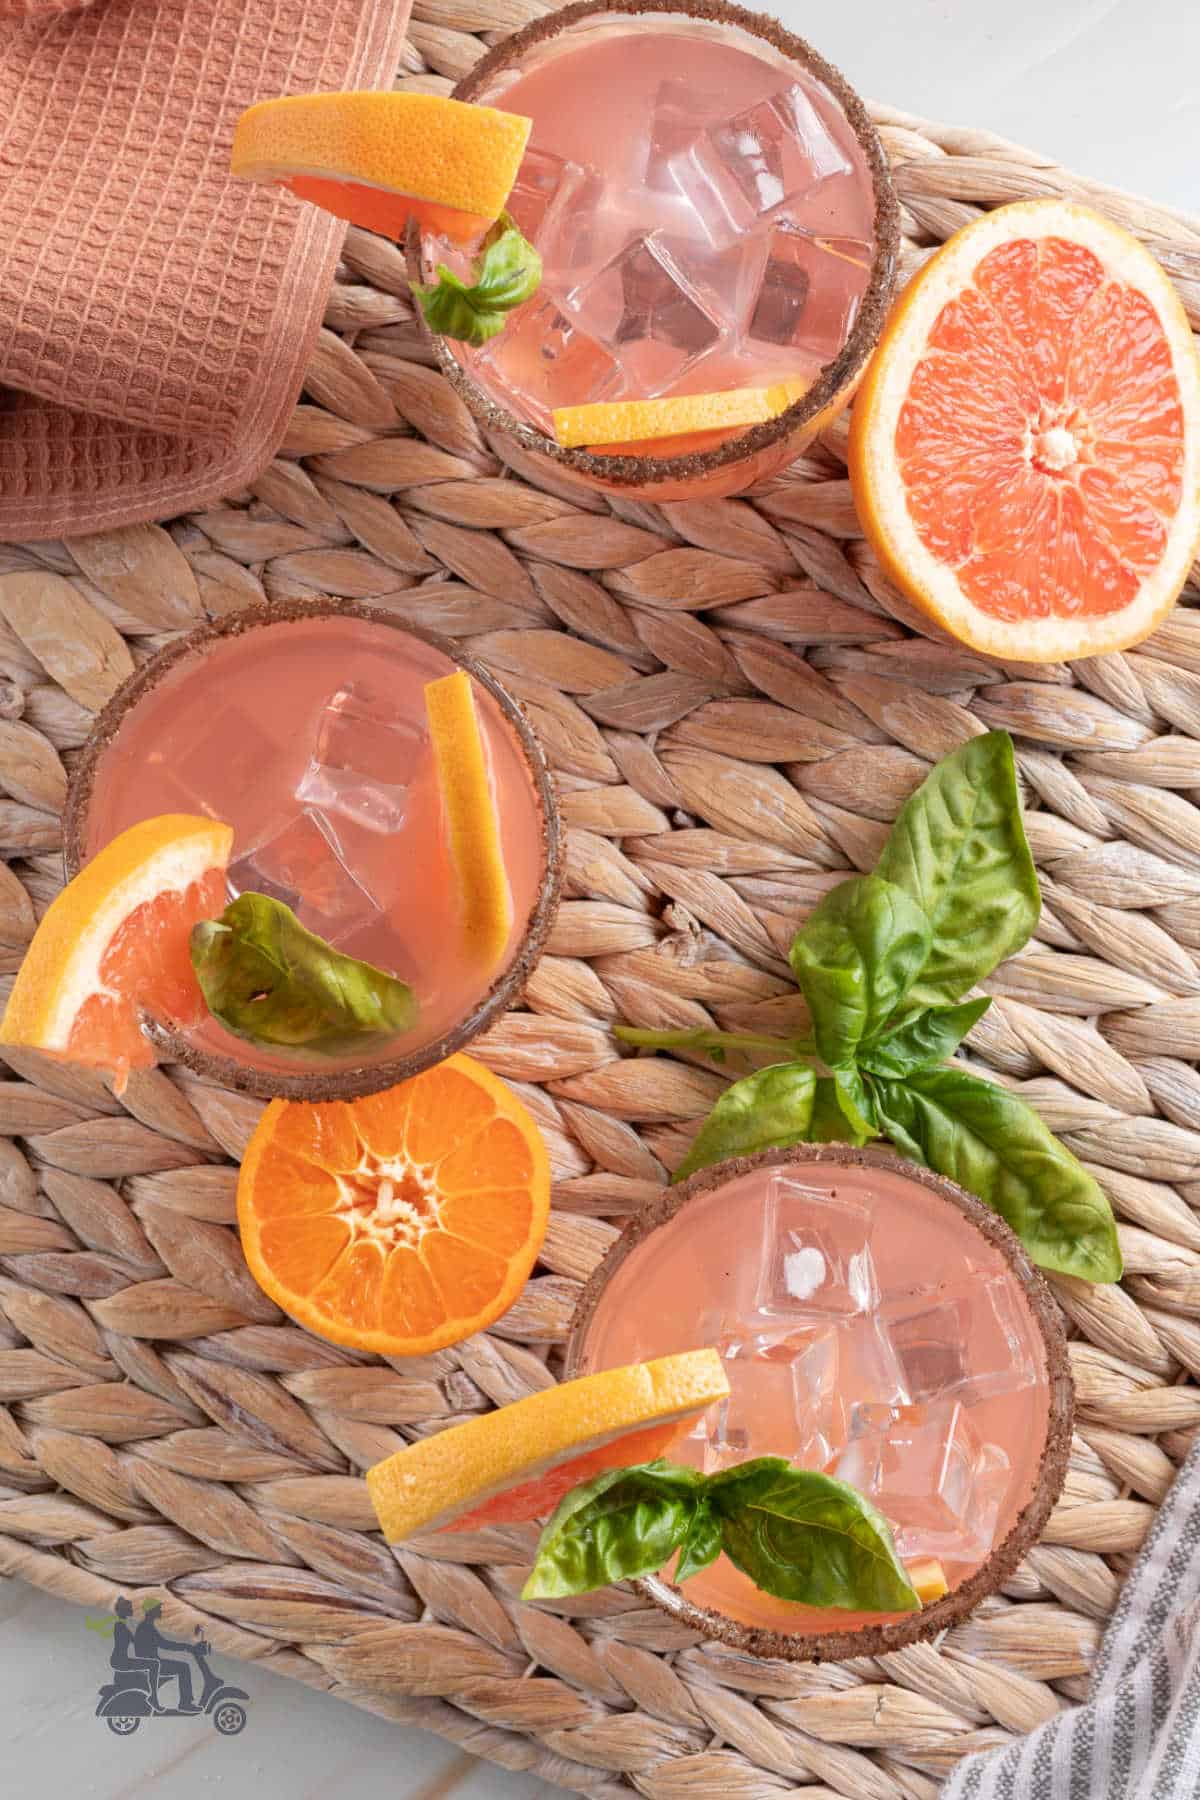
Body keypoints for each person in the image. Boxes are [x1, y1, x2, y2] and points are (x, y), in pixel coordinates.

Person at [132, 1599, 199, 1714]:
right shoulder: (147, 1627)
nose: (160, 1610)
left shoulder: (146, 1626)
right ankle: (185, 1703)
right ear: (151, 1611)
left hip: (151, 1662)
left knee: (182, 1667)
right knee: (183, 1668)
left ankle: (184, 1702)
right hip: (152, 1664)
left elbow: (162, 1643)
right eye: (158, 1608)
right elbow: (164, 1644)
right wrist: (186, 1647)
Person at [109, 1596, 159, 1705]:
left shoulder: (122, 1625)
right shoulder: (120, 1626)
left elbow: (135, 1642)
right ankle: (153, 1697)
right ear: (123, 1610)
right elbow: (134, 1642)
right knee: (154, 1664)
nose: (132, 1610)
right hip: (120, 1661)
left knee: (151, 1663)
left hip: (120, 1659)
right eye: (130, 1608)